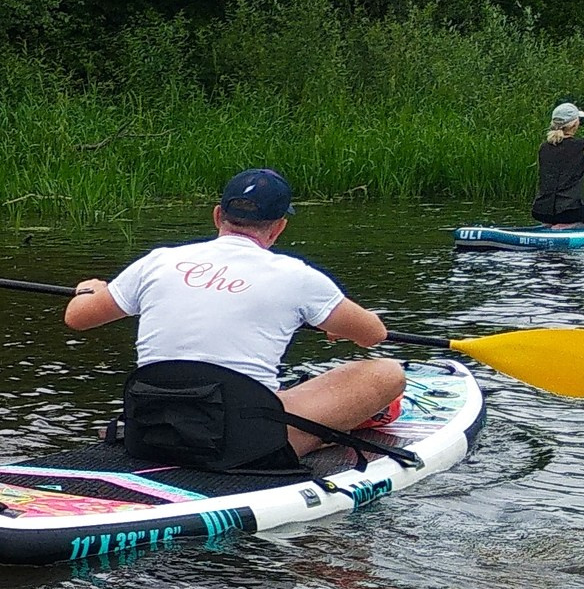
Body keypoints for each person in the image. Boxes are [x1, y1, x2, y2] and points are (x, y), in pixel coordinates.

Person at [64, 169, 405, 470]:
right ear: (279, 228)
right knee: (387, 372)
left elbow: (78, 318)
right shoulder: (297, 277)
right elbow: (374, 333)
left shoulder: (158, 261)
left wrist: (88, 289)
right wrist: (331, 324)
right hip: (240, 448)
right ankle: (331, 431)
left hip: (150, 432)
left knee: (254, 391)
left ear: (217, 215)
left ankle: (326, 428)